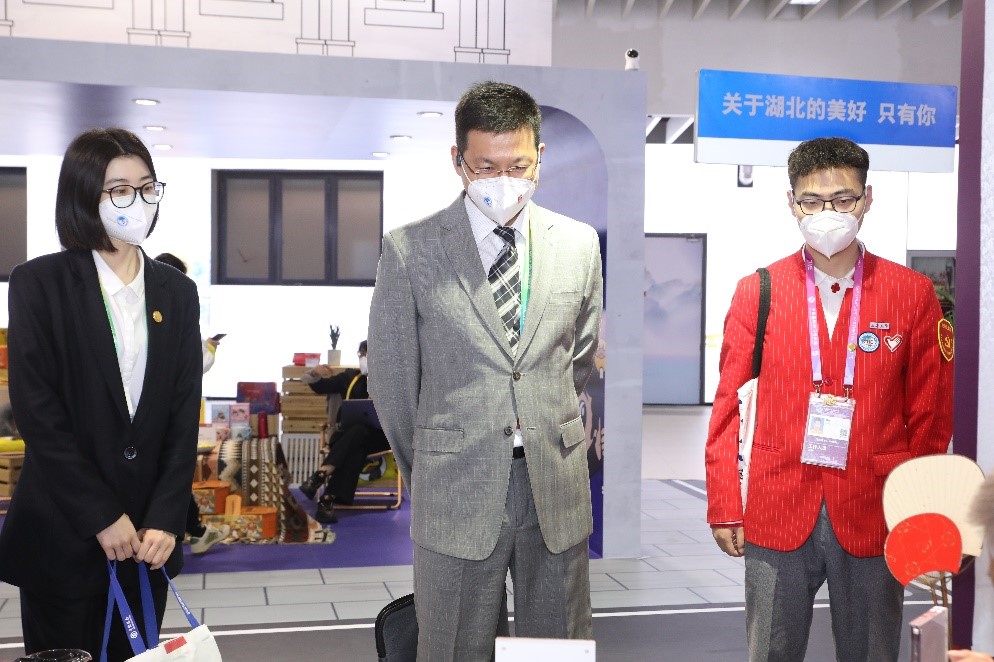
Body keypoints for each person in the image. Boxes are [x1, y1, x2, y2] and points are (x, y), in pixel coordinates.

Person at [368, 80, 603, 660]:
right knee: (453, 645)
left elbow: (577, 359)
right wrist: (435, 461)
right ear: (458, 161)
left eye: (518, 166)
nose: (504, 181)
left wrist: (537, 416)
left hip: (554, 478)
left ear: (540, 158)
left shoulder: (578, 245)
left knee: (558, 647)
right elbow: (393, 383)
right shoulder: (411, 249)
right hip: (456, 482)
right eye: (486, 167)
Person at [704, 136, 954, 662]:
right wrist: (725, 504)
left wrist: (918, 507)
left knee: (871, 651)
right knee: (771, 651)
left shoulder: (911, 293)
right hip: (776, 502)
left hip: (874, 505)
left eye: (843, 199)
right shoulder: (759, 290)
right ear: (792, 203)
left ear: (867, 199)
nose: (828, 213)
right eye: (812, 201)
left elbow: (930, 414)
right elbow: (728, 406)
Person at [0, 128, 202, 659]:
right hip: (64, 532)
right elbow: (37, 413)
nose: (137, 201)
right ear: (83, 195)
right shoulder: (38, 283)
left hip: (148, 543)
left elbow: (183, 416)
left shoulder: (177, 293)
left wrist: (166, 517)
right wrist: (101, 515)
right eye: (119, 189)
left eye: (147, 187)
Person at [153, 252, 231, 555]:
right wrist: (209, 349)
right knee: (171, 474)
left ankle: (193, 530)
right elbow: (193, 365)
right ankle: (194, 531)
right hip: (167, 413)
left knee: (165, 474)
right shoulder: (175, 313)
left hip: (145, 414)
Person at [297, 339, 390, 524]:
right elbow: (320, 386)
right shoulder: (348, 378)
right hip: (346, 436)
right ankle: (327, 499)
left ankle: (320, 475)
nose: (364, 358)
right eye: (361, 355)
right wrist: (315, 372)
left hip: (379, 438)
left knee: (359, 433)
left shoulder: (390, 383)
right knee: (357, 441)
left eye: (368, 355)